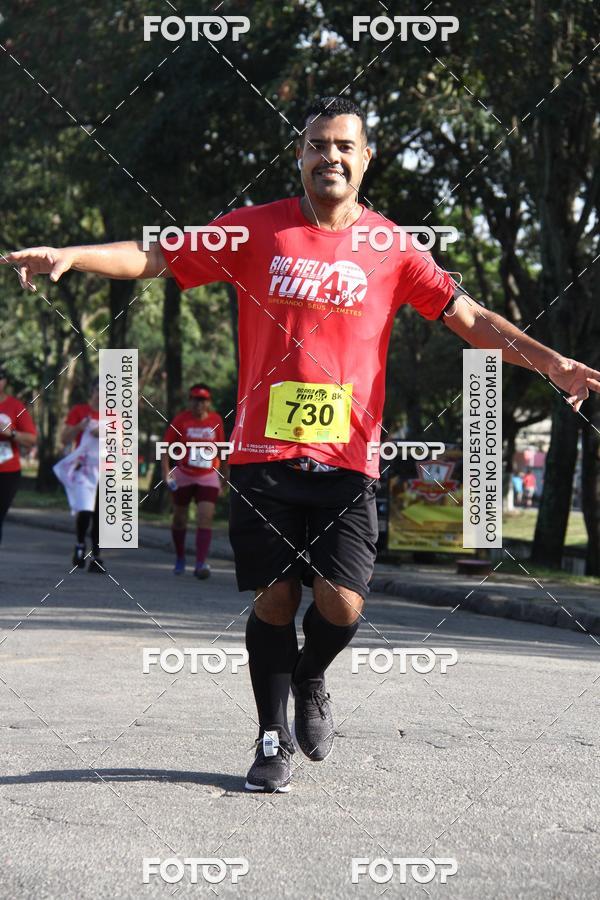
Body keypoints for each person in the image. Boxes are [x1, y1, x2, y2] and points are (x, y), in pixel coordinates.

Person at [4, 96, 600, 794]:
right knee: (275, 600)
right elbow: (158, 254)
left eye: (344, 145)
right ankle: (270, 736)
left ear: (366, 158)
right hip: (263, 456)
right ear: (300, 155)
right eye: (317, 144)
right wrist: (73, 256)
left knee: (343, 604)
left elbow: (469, 317)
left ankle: (312, 674)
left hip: (348, 459)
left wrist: (553, 362)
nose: (330, 156)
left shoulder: (392, 247)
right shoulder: (255, 229)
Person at [161, 383, 227, 579]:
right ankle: (180, 557)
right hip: (184, 474)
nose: (199, 404)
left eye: (203, 401)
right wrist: (166, 472)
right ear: (189, 401)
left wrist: (225, 476)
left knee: (205, 517)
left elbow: (222, 449)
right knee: (179, 519)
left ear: (209, 402)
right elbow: (165, 447)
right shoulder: (181, 420)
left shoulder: (215, 420)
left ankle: (200, 563)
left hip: (208, 475)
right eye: (195, 400)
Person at [54, 380, 105, 573]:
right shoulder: (79, 411)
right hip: (83, 469)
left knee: (100, 515)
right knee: (85, 510)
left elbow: (123, 443)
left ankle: (97, 556)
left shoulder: (115, 416)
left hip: (105, 470)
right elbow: (64, 438)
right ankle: (80, 544)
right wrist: (80, 427)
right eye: (99, 390)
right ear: (92, 391)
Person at [0, 365, 37, 544]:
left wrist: (11, 433)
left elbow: (31, 439)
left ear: (5, 382)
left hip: (7, 472)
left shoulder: (15, 406)